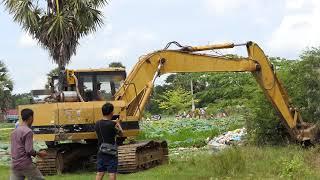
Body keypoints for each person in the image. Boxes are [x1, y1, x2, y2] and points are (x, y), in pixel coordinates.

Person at [10, 108, 47, 180]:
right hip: (25, 164)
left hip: (15, 164)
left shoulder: (14, 131)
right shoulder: (28, 131)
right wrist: (40, 153)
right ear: (30, 117)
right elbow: (29, 150)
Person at [95, 103, 123, 180]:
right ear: (111, 112)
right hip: (111, 152)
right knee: (112, 172)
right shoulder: (113, 124)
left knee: (100, 172)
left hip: (101, 150)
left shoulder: (97, 123)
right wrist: (118, 123)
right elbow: (121, 133)